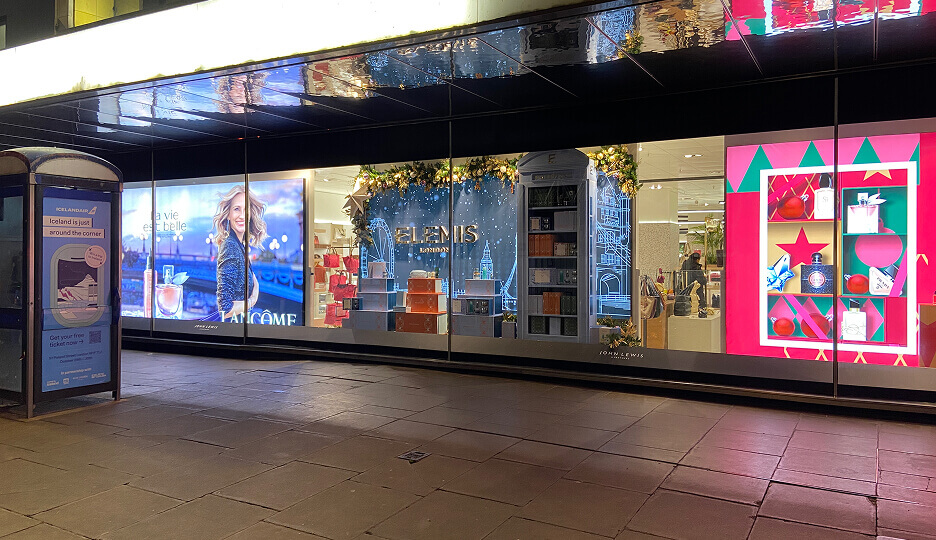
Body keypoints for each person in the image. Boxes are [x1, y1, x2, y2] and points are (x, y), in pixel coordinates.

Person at [211, 185, 267, 321]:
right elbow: (225, 309)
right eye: (237, 209)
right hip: (234, 331)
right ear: (228, 214)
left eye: (246, 210)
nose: (242, 216)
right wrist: (253, 300)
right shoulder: (230, 246)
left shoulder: (238, 245)